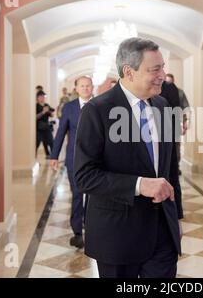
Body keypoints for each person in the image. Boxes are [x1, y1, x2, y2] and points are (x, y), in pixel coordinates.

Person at [74, 37, 183, 278]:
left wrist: (175, 217)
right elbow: (84, 176)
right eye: (155, 69)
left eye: (162, 67)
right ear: (129, 72)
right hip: (117, 237)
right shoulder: (97, 110)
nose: (163, 75)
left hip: (161, 234)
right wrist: (139, 185)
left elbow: (169, 169)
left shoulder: (163, 106)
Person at [50, 77, 94, 249]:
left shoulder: (100, 105)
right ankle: (77, 232)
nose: (85, 88)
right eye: (82, 86)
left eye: (88, 85)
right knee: (77, 194)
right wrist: (54, 156)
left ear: (92, 87)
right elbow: (61, 133)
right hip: (73, 158)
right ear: (76, 88)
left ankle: (91, 226)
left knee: (93, 195)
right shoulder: (69, 108)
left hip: (95, 160)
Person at [164, 74, 189, 174]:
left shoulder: (180, 93)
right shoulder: (160, 91)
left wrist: (185, 123)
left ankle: (176, 166)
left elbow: (184, 109)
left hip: (175, 123)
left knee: (176, 145)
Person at [36, 90, 55, 158]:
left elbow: (52, 114)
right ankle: (33, 158)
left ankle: (54, 157)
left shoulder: (46, 105)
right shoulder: (36, 106)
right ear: (37, 97)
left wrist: (49, 112)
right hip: (39, 128)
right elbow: (35, 117)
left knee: (51, 142)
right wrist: (43, 112)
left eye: (44, 96)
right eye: (41, 96)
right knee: (36, 144)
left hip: (47, 127)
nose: (43, 98)